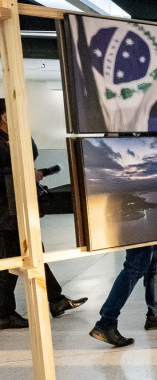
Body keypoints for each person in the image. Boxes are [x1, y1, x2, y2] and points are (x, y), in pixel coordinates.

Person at [0, 100, 87, 329]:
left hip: (14, 210)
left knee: (34, 253)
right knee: (11, 262)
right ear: (5, 117)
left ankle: (56, 300)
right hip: (6, 213)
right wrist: (26, 174)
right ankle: (4, 312)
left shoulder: (8, 140)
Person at [89, 244, 157, 347]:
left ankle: (156, 315)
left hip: (155, 228)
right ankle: (106, 323)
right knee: (136, 265)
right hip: (140, 228)